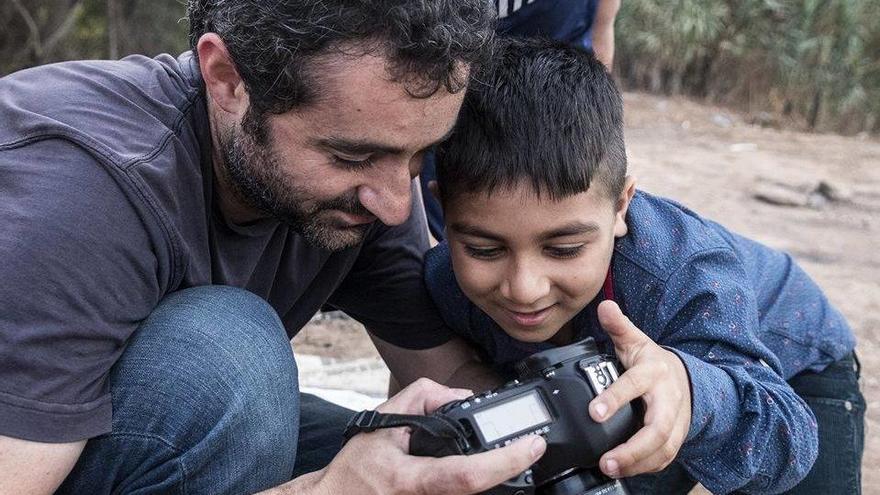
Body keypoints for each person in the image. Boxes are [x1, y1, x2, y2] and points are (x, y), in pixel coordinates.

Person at [0, 2, 549, 493]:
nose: (395, 206)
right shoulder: (83, 196)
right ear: (228, 79)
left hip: (116, 426)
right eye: (351, 158)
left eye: (417, 155)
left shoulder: (369, 188)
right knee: (228, 362)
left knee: (445, 459)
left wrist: (600, 409)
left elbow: (453, 376)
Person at [423, 38, 864, 494]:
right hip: (634, 383)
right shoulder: (441, 278)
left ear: (620, 208)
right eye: (484, 250)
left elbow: (787, 436)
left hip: (793, 368)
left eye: (565, 248)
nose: (524, 289)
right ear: (445, 213)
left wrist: (690, 390)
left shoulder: (680, 274)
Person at [421, 0, 622, 243]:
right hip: (461, 110)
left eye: (566, 249)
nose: (524, 283)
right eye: (484, 250)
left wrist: (600, 128)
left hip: (563, 107)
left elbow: (602, 29)